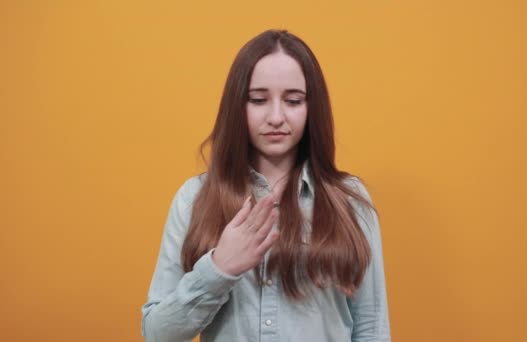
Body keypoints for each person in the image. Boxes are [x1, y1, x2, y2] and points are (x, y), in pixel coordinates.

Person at [141, 29, 391, 342]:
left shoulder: (349, 202)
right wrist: (218, 270)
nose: (276, 116)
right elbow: (157, 334)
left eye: (293, 100)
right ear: (237, 106)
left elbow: (371, 329)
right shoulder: (194, 199)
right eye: (258, 100)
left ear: (312, 107)